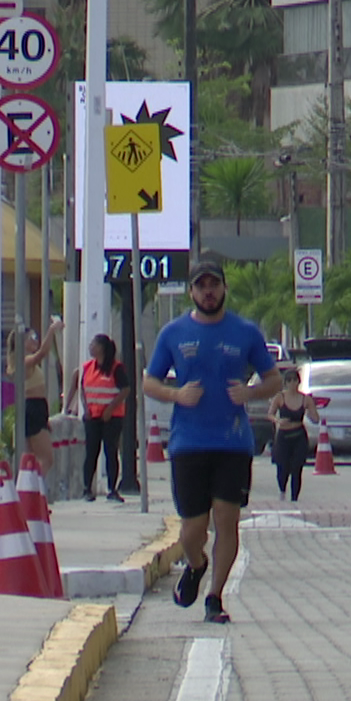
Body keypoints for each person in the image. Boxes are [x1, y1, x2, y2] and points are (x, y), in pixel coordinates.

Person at [142, 256, 281, 623]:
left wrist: (250, 394)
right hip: (188, 441)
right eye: (201, 286)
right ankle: (196, 563)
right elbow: (149, 381)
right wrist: (176, 394)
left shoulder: (245, 332)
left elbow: (274, 380)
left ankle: (215, 598)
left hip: (232, 443)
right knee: (192, 529)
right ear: (191, 292)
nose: (208, 292)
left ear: (224, 288)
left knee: (226, 519)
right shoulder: (173, 333)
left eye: (214, 285)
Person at [66, 333, 132, 502]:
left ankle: (112, 489)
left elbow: (125, 390)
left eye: (94, 344)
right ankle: (87, 488)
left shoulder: (116, 368)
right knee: (91, 452)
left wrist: (110, 408)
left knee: (110, 451)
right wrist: (86, 408)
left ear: (102, 348)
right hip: (92, 417)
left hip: (112, 417)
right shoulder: (87, 367)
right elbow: (83, 389)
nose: (91, 347)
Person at [10, 319, 63, 476]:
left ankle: (31, 491)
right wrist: (52, 330)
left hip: (38, 407)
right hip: (33, 407)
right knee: (47, 459)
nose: (35, 340)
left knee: (32, 458)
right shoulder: (23, 361)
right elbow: (42, 353)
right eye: (31, 337)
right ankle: (34, 490)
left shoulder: (26, 362)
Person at [268, 363, 319, 502]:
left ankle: (295, 498)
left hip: (299, 436)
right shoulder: (280, 397)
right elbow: (270, 414)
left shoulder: (305, 399)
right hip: (284, 435)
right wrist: (278, 421)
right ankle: (282, 491)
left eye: (295, 380)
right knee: (282, 467)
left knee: (297, 468)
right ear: (285, 383)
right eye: (289, 381)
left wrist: (312, 413)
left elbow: (315, 418)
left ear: (299, 382)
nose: (292, 384)